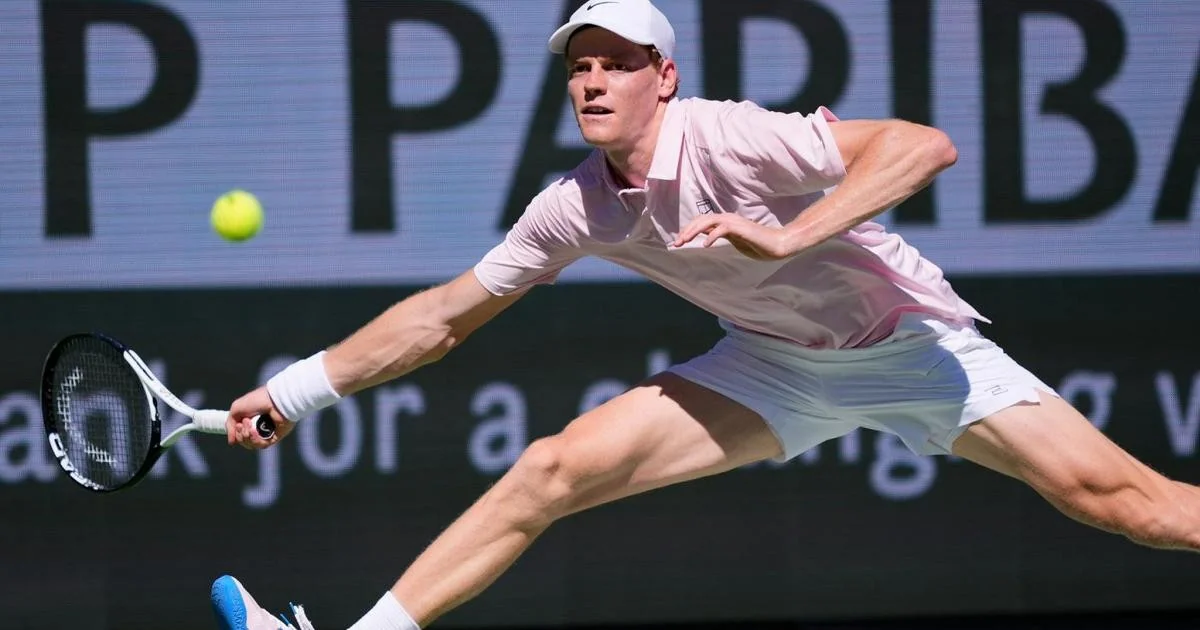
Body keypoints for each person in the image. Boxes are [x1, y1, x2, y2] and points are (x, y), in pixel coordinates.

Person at [210, 1, 1200, 628]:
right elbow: (444, 316)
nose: (592, 79)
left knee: (1129, 508)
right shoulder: (575, 202)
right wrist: (299, 390)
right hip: (773, 364)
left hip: (909, 345)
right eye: (577, 66)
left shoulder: (730, 137)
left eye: (616, 62)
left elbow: (923, 145)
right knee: (550, 467)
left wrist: (795, 234)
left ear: (664, 78)